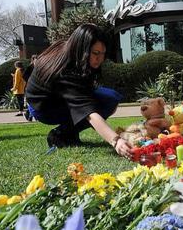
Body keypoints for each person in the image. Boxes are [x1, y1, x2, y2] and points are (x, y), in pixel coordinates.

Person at [25, 24, 133, 158]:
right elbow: (88, 111)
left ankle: (68, 132)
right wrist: (116, 141)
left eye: (103, 53)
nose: (100, 59)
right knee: (104, 102)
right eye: (95, 53)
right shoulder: (65, 70)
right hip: (43, 107)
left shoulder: (71, 52)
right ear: (82, 49)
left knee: (111, 97)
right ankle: (60, 134)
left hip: (57, 97)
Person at [23, 55, 37, 121]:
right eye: (36, 59)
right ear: (33, 59)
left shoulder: (38, 67)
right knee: (31, 101)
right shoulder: (30, 67)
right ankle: (29, 116)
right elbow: (24, 76)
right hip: (30, 85)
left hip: (37, 86)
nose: (37, 60)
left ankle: (28, 114)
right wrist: (29, 81)